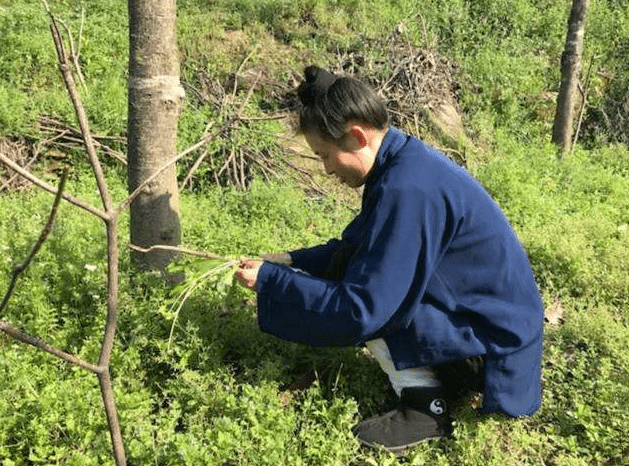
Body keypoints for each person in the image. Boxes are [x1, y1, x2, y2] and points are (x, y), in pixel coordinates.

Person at [234, 65, 544, 454]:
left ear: (357, 136)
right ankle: (436, 376)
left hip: (494, 348)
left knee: (374, 302)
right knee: (363, 274)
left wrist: (273, 282)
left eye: (325, 156)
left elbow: (364, 308)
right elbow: (353, 249)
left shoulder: (408, 187)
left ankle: (425, 408)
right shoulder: (401, 163)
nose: (327, 169)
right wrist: (287, 261)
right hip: (487, 323)